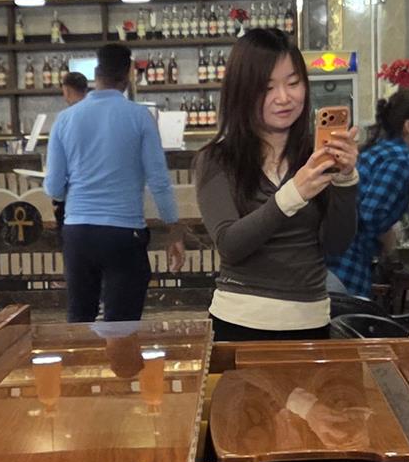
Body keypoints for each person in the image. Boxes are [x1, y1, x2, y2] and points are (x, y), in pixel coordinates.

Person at [194, 29, 358, 341]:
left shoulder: (316, 156)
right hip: (239, 322)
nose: (284, 97)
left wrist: (345, 180)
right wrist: (294, 194)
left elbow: (336, 245)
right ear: (242, 92)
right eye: (267, 88)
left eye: (293, 83)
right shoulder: (217, 159)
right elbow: (230, 245)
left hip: (310, 321)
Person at [43, 43, 188, 323]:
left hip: (78, 233)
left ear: (96, 73)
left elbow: (54, 188)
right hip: (123, 234)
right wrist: (174, 229)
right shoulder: (140, 117)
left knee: (80, 322)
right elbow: (159, 180)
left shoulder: (65, 119)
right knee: (122, 325)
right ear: (129, 73)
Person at [325, 87, 409, 298]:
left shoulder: (382, 149)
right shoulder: (400, 159)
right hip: (349, 262)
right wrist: (388, 237)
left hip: (332, 258)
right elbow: (371, 216)